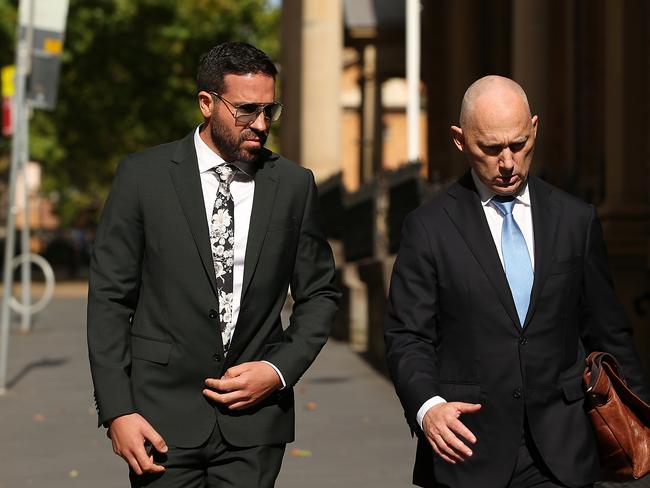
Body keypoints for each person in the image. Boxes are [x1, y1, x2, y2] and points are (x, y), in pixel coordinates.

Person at [87, 41, 339, 487]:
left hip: (255, 424)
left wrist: (278, 370)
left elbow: (319, 294)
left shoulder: (293, 185)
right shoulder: (142, 177)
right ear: (206, 102)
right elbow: (110, 298)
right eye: (246, 110)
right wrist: (117, 411)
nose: (260, 125)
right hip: (158, 419)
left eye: (270, 110)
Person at [384, 75, 649, 488]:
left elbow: (608, 330)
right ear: (459, 140)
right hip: (467, 449)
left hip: (564, 450)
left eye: (519, 144)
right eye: (489, 148)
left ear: (535, 129)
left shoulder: (575, 220)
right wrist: (427, 407)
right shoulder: (428, 228)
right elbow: (407, 336)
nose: (507, 162)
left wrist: (641, 421)